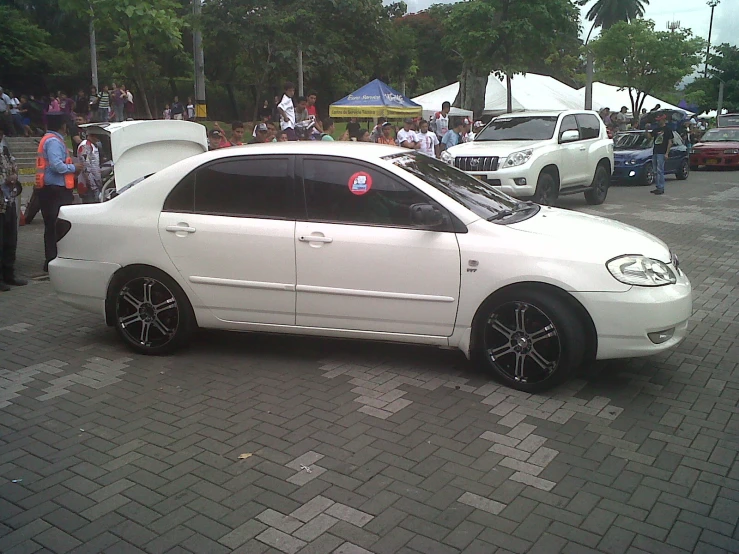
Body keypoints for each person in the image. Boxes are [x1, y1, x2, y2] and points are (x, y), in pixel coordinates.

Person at [37, 112, 83, 272]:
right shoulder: (54, 142)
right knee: (56, 226)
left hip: (50, 190)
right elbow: (56, 165)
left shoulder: (49, 139)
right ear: (62, 125)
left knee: (52, 227)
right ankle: (53, 261)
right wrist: (73, 168)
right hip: (55, 190)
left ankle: (51, 260)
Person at [0, 134, 27, 290]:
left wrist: (14, 177)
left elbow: (13, 165)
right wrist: (5, 179)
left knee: (10, 240)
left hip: (8, 201)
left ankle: (9, 274)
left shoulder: (5, 149)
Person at [647, 115, 673, 196]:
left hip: (662, 152)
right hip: (655, 151)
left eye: (660, 120)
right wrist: (647, 129)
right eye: (658, 120)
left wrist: (667, 153)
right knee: (655, 171)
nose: (658, 122)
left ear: (664, 120)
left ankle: (661, 187)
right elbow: (649, 137)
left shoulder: (668, 130)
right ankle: (658, 186)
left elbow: (670, 142)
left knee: (660, 170)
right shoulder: (656, 129)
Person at [77, 129, 102, 203]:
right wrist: (93, 186)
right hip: (88, 185)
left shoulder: (93, 145)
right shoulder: (85, 145)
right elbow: (86, 168)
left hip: (94, 182)